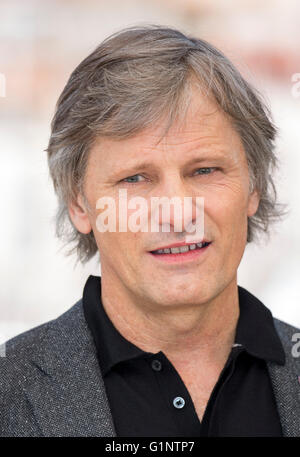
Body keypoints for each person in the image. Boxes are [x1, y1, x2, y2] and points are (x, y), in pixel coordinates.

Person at [1, 24, 299, 437]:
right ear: (78, 204)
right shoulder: (8, 394)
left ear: (254, 186)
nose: (177, 214)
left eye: (205, 170)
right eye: (136, 179)